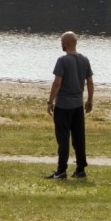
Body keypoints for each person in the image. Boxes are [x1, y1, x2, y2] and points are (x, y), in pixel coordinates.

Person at [46, 31, 93, 179]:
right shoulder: (84, 60)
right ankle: (80, 169)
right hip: (78, 106)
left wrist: (50, 101)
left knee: (63, 139)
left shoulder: (62, 60)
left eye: (62, 41)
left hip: (63, 106)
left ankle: (61, 170)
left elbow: (57, 83)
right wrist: (90, 100)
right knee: (79, 138)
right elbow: (90, 82)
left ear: (65, 43)